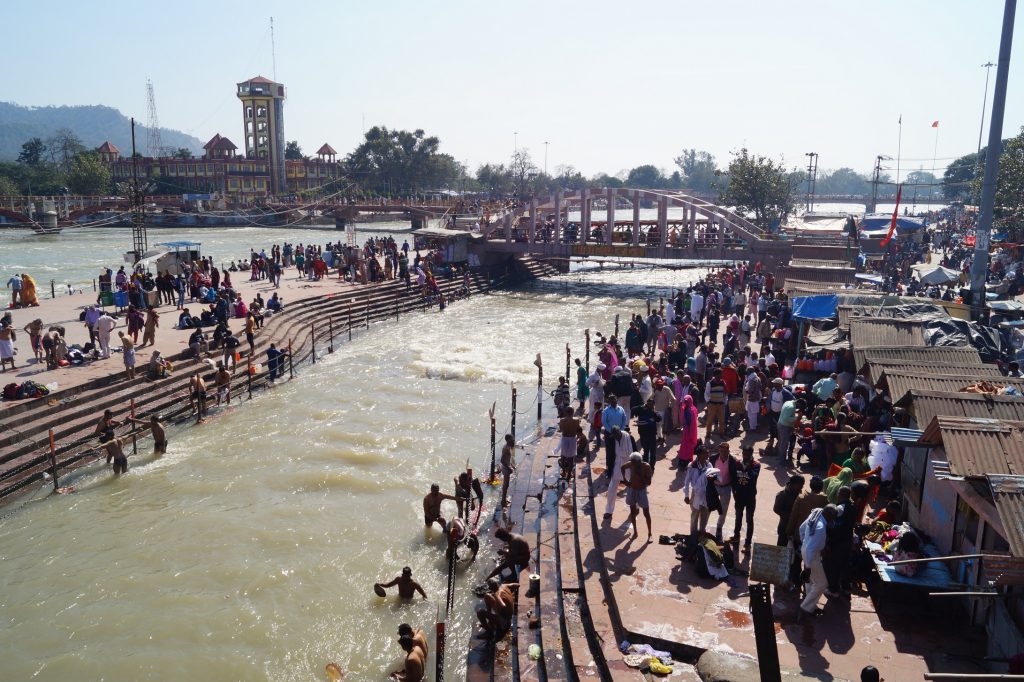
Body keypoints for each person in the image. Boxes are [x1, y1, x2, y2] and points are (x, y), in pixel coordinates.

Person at [798, 504, 838, 620]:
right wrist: (808, 568)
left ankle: (811, 605)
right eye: (833, 517)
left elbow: (801, 528)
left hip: (806, 550)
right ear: (829, 516)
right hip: (812, 555)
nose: (834, 520)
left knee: (810, 581)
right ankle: (805, 608)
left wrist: (805, 541)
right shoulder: (820, 528)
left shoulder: (815, 514)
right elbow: (811, 549)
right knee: (821, 583)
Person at [731, 445, 760, 550]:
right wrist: (733, 491)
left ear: (751, 454)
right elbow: (733, 478)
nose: (745, 456)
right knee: (738, 517)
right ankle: (736, 536)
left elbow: (753, 477)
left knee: (749, 519)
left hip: (750, 497)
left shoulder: (756, 465)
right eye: (744, 453)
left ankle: (748, 543)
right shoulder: (738, 463)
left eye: (747, 454)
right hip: (739, 495)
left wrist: (746, 466)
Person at [683, 443, 714, 538]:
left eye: (708, 453)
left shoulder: (709, 465)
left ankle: (701, 533)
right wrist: (687, 495)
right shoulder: (692, 466)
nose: (708, 455)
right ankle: (693, 535)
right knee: (695, 515)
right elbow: (687, 481)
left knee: (705, 514)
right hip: (695, 494)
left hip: (706, 494)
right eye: (705, 453)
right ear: (699, 455)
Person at [603, 427, 633, 519]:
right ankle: (608, 511)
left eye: (616, 435)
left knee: (632, 487)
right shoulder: (612, 439)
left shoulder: (629, 438)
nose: (615, 437)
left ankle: (635, 507)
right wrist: (608, 469)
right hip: (616, 465)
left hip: (628, 465)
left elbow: (635, 452)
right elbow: (609, 454)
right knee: (612, 488)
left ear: (620, 433)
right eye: (614, 436)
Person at [622, 451, 653, 540]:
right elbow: (622, 467)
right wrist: (625, 480)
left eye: (633, 462)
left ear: (638, 461)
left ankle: (650, 534)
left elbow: (649, 482)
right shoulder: (631, 463)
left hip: (642, 491)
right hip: (632, 489)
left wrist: (640, 475)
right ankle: (635, 532)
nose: (631, 463)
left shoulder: (646, 467)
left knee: (646, 513)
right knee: (632, 512)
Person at [710, 443, 738, 541]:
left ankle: (719, 528)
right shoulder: (713, 458)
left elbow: (735, 476)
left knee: (723, 509)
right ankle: (703, 526)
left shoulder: (733, 461)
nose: (723, 453)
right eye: (721, 451)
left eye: (725, 451)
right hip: (714, 486)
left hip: (726, 487)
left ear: (728, 451)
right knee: (708, 506)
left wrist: (735, 491)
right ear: (719, 451)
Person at [600, 395, 629, 476]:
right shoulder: (606, 410)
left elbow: (624, 419)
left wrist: (621, 430)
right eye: (611, 400)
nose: (613, 401)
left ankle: (618, 470)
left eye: (614, 399)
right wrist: (612, 432)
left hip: (620, 434)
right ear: (609, 401)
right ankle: (609, 471)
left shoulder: (621, 409)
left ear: (616, 400)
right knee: (610, 452)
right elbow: (604, 422)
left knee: (619, 452)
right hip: (609, 434)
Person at [773, 475, 805, 546]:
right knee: (782, 547)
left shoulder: (800, 495)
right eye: (800, 485)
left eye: (802, 485)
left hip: (796, 528)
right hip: (784, 526)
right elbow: (776, 509)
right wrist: (790, 516)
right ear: (793, 484)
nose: (801, 487)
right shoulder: (782, 495)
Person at [634, 398, 661, 470]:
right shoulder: (641, 411)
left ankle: (651, 466)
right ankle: (645, 465)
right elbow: (633, 409)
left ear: (653, 405)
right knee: (646, 451)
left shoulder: (654, 413)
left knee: (653, 452)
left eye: (651, 404)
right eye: (648, 403)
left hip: (652, 435)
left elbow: (659, 418)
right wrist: (642, 407)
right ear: (646, 404)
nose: (649, 405)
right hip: (643, 435)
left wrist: (654, 414)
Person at [676, 394, 699, 469]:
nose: (685, 403)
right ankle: (684, 462)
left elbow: (692, 423)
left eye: (686, 401)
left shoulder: (691, 410)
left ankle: (685, 463)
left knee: (687, 446)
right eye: (684, 401)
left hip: (689, 431)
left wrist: (689, 431)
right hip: (686, 430)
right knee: (685, 446)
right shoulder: (687, 408)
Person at [499, 434, 516, 508]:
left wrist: (511, 465)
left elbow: (507, 458)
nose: (513, 440)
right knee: (505, 486)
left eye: (513, 439)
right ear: (507, 440)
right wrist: (508, 467)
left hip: (507, 467)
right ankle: (503, 502)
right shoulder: (506, 448)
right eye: (511, 439)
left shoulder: (508, 447)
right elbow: (502, 460)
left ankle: (504, 499)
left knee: (506, 485)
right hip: (505, 469)